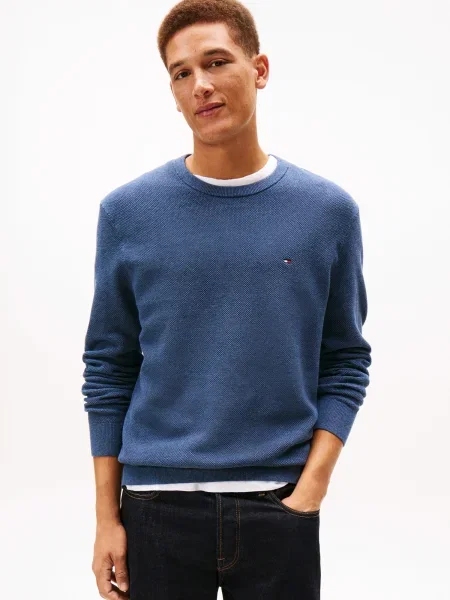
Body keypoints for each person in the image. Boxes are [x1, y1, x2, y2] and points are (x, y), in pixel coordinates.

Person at [81, 0, 372, 598]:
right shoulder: (127, 213)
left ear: (259, 69)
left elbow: (345, 359)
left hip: (279, 506)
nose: (201, 85)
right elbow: (108, 367)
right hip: (154, 509)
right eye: (181, 73)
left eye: (216, 62)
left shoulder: (327, 213)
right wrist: (107, 519)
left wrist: (311, 489)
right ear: (172, 91)